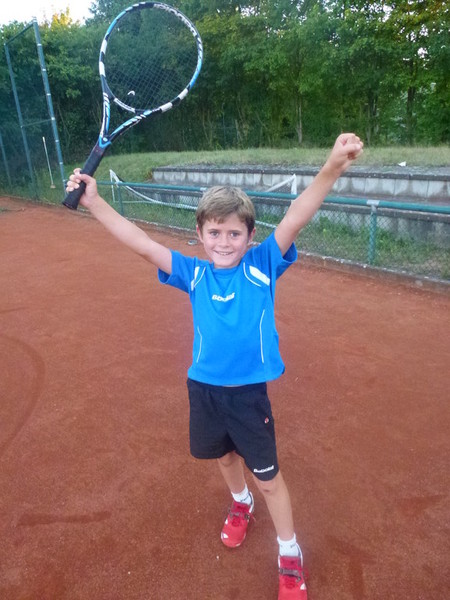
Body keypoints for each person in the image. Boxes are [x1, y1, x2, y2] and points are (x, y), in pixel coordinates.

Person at [66, 133, 363, 599]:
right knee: (223, 457)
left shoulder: (262, 265)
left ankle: (289, 553)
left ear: (250, 236)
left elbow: (296, 215)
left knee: (269, 479)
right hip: (204, 389)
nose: (224, 242)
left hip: (247, 396)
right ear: (200, 233)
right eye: (215, 232)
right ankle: (239, 502)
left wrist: (331, 168)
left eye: (234, 233)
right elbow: (141, 243)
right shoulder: (194, 273)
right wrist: (95, 203)